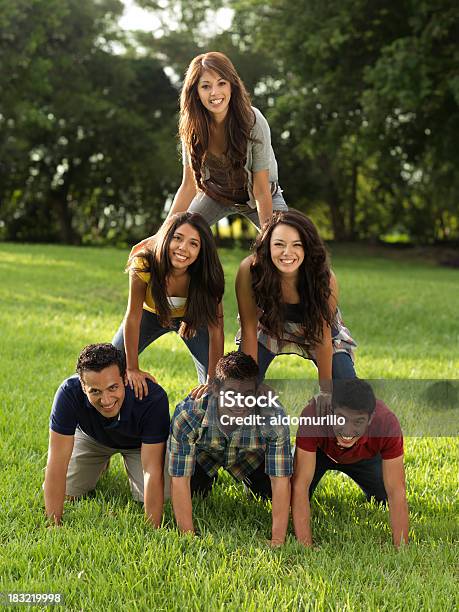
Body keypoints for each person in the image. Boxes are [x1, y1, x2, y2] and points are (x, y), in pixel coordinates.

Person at [131, 51, 287, 257]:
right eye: (206, 86)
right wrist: (162, 235)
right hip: (216, 196)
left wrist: (270, 238)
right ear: (196, 91)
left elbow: (260, 189)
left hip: (261, 195)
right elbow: (188, 186)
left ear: (232, 85)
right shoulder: (192, 126)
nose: (214, 92)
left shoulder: (253, 121)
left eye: (221, 83)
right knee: (172, 242)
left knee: (286, 244)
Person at [168, 352, 293, 546]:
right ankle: (209, 478)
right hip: (204, 457)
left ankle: (249, 483)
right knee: (195, 492)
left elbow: (280, 481)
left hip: (250, 459)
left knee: (266, 494)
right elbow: (179, 480)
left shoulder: (273, 417)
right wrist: (187, 537)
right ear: (216, 389)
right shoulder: (189, 416)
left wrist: (277, 539)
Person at [236, 209, 357, 408]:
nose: (287, 253)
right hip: (268, 328)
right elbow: (249, 330)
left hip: (316, 331)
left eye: (297, 245)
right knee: (240, 389)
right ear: (267, 246)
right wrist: (248, 387)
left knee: (347, 393)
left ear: (307, 248)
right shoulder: (250, 271)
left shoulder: (324, 278)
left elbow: (322, 336)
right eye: (279, 244)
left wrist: (326, 392)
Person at [43, 343, 170, 527]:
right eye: (95, 391)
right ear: (83, 386)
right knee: (68, 493)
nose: (106, 400)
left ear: (125, 378)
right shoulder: (68, 393)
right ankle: (100, 462)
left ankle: (111, 463)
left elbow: (152, 469)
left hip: (138, 445)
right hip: (92, 439)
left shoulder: (152, 398)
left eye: (113, 388)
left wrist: (154, 528)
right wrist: (53, 524)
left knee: (163, 496)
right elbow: (56, 464)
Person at [112, 212, 225, 399]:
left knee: (215, 385)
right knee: (111, 363)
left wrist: (212, 380)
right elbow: (132, 317)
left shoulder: (208, 275)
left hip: (192, 319)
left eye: (193, 244)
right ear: (166, 237)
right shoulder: (144, 264)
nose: (183, 248)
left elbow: (216, 329)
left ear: (201, 250)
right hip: (150, 316)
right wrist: (132, 368)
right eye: (177, 238)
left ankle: (200, 418)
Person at [292, 379, 409, 548]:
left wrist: (401, 548)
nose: (347, 429)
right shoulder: (313, 414)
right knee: (283, 493)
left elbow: (397, 491)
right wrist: (305, 546)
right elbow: (300, 485)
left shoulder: (386, 423)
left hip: (364, 456)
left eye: (358, 422)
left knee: (383, 496)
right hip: (319, 452)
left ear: (370, 420)